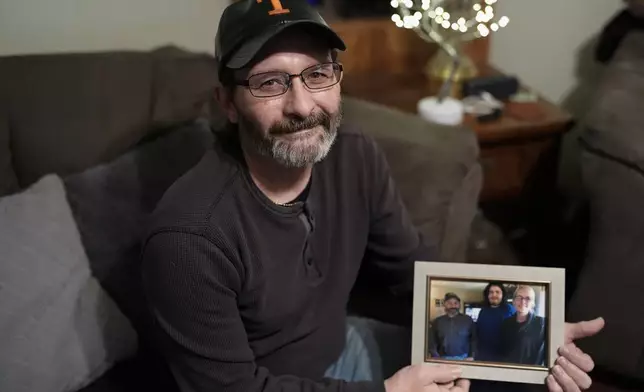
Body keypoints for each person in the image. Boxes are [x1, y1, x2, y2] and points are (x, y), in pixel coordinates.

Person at [140, 1, 605, 392]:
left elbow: (411, 270)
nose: (302, 107)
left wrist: (533, 334)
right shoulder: (188, 237)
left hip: (347, 347)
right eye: (269, 83)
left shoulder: (354, 156)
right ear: (227, 103)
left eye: (317, 75)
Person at [500, 285, 546, 366]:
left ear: (533, 303)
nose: (522, 301)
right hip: (509, 371)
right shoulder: (506, 323)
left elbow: (543, 354)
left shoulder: (542, 323)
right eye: (519, 297)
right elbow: (503, 350)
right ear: (513, 301)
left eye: (528, 298)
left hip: (531, 373)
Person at [474, 282, 515, 362]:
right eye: (491, 292)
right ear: (487, 295)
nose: (494, 295)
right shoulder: (483, 311)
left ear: (502, 294)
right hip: (483, 357)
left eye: (497, 292)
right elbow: (478, 333)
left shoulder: (509, 309)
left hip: (503, 358)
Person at [428, 293, 477, 360]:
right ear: (444, 304)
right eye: (449, 303)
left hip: (464, 358)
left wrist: (471, 355)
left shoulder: (468, 320)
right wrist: (436, 356)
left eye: (455, 303)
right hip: (443, 358)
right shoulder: (437, 321)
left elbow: (474, 339)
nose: (453, 306)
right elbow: (432, 341)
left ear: (459, 305)